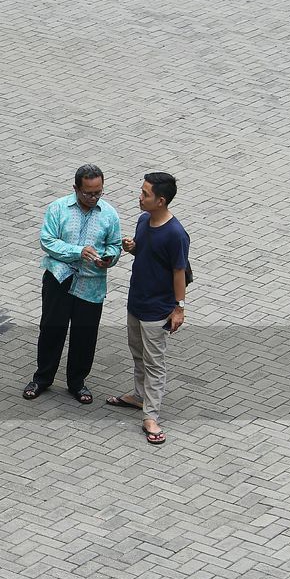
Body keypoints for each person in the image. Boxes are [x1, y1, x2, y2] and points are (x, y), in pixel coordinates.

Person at [23, 165, 122, 404]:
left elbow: (115, 245)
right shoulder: (58, 208)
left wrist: (109, 258)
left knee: (85, 334)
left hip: (91, 284)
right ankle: (42, 378)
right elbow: (47, 241)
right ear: (76, 188)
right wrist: (78, 252)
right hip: (59, 278)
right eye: (88, 193)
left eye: (98, 192)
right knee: (51, 329)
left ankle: (77, 382)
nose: (93, 197)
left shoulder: (109, 214)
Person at [105, 172, 189, 445]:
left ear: (161, 200)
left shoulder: (175, 234)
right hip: (136, 303)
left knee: (155, 363)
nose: (139, 198)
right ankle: (139, 396)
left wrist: (179, 308)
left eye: (145, 194)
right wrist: (133, 247)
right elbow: (147, 253)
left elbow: (179, 272)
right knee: (138, 354)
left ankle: (150, 415)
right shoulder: (144, 220)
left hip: (157, 310)